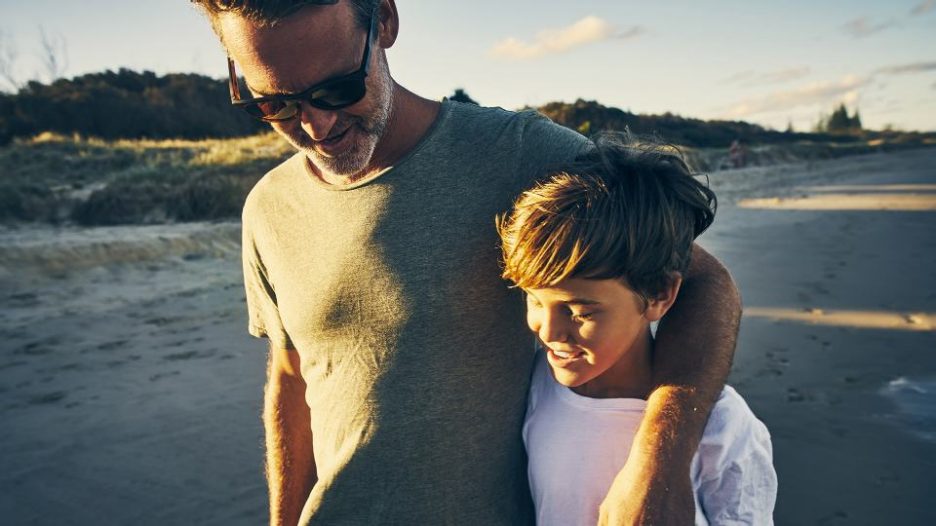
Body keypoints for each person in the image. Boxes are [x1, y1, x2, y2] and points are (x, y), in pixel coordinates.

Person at [190, 1, 742, 524]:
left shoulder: (520, 153)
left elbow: (703, 283)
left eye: (337, 89)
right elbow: (292, 379)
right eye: (275, 104)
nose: (315, 126)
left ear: (384, 20)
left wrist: (661, 463)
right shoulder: (268, 208)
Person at [497, 134, 777, 525]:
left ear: (660, 294)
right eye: (535, 300)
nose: (549, 331)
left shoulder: (722, 425)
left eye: (579, 311)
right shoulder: (539, 386)